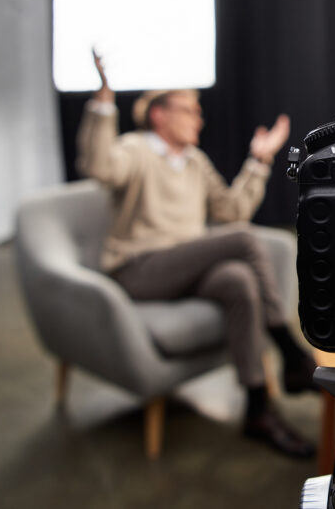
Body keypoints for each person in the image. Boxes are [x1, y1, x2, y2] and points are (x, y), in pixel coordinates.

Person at [77, 50, 317, 458]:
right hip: (138, 269)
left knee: (238, 281)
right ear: (159, 114)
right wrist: (103, 99)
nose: (199, 120)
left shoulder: (194, 162)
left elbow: (231, 210)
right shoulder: (135, 150)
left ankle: (257, 409)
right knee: (244, 240)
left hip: (184, 268)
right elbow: (98, 166)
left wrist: (260, 158)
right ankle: (291, 352)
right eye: (189, 111)